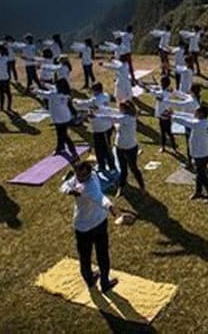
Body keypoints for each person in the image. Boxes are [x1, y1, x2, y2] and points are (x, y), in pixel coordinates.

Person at [60, 161, 118, 293]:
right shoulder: (80, 178)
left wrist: (110, 206)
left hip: (93, 224)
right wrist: (70, 190)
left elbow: (100, 198)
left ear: (88, 175)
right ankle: (96, 280)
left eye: (81, 177)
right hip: (88, 225)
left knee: (97, 255)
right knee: (91, 256)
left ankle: (100, 281)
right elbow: (64, 186)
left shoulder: (89, 186)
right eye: (77, 176)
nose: (78, 180)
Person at [171, 106, 208, 201]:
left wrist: (172, 116)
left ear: (201, 114)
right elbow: (188, 116)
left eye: (196, 112)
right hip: (203, 152)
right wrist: (174, 112)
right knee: (199, 174)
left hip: (201, 154)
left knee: (202, 175)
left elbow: (185, 121)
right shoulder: (206, 120)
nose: (194, 113)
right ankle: (198, 191)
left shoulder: (198, 124)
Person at [74, 83, 117, 175]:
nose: (92, 92)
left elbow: (83, 104)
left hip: (101, 128)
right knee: (101, 148)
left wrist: (75, 101)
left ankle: (111, 166)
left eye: (93, 90)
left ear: (96, 90)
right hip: (104, 126)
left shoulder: (94, 100)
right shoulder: (105, 96)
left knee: (104, 149)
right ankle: (103, 166)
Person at [104, 101, 144, 194]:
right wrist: (100, 108)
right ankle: (122, 187)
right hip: (119, 147)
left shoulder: (127, 118)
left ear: (125, 109)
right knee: (123, 168)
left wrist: (96, 116)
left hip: (130, 148)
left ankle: (142, 187)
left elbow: (111, 118)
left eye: (120, 108)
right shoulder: (126, 116)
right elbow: (113, 112)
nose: (118, 109)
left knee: (133, 168)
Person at [35, 80, 79, 159]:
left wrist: (35, 90)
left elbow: (44, 94)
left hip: (59, 118)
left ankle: (73, 152)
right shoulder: (65, 93)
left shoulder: (54, 95)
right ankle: (60, 148)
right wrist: (45, 84)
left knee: (64, 136)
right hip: (65, 116)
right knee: (61, 134)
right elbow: (53, 87)